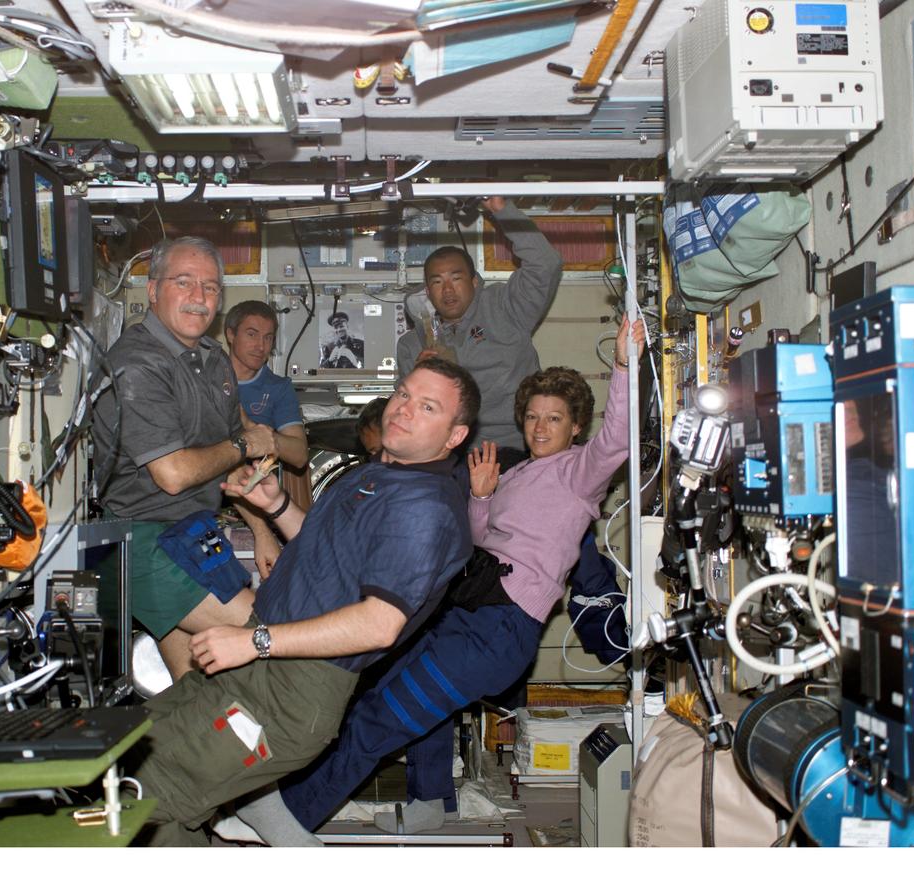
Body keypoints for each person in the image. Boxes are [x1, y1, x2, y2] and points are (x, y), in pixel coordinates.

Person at [264, 316, 646, 842]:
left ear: (575, 425)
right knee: (376, 706)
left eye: (553, 419)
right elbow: (478, 538)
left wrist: (624, 364)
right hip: (472, 608)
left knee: (378, 724)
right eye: (532, 416)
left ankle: (282, 826)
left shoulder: (579, 472)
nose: (539, 428)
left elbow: (617, 442)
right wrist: (483, 495)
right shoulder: (513, 471)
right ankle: (431, 801)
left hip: (500, 629)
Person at [129, 358, 480, 847]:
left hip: (289, 694)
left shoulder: (425, 509)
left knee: (148, 798)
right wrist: (275, 505)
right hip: (255, 666)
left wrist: (255, 641)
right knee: (129, 763)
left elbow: (379, 624)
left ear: (454, 435)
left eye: (428, 407)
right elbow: (324, 552)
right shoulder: (377, 475)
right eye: (403, 394)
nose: (403, 410)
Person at [91, 236, 275, 679]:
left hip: (193, 534)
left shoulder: (213, 360)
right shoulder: (136, 364)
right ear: (153, 290)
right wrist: (248, 444)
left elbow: (231, 458)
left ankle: (178, 748)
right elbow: (174, 474)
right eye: (184, 282)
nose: (199, 298)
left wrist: (262, 530)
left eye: (210, 287)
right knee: (266, 638)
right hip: (141, 541)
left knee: (196, 688)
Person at [398, 196, 564, 454]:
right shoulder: (412, 345)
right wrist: (419, 379)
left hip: (521, 445)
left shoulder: (505, 307)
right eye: (438, 283)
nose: (448, 290)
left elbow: (545, 263)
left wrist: (501, 209)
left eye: (456, 278)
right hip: (453, 454)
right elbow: (405, 415)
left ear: (475, 281)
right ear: (428, 292)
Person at [223, 300, 310, 577]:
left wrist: (262, 436)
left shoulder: (277, 388)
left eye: (268, 337)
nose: (261, 345)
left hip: (261, 503)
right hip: (208, 504)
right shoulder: (206, 380)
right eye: (251, 334)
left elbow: (298, 454)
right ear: (230, 334)